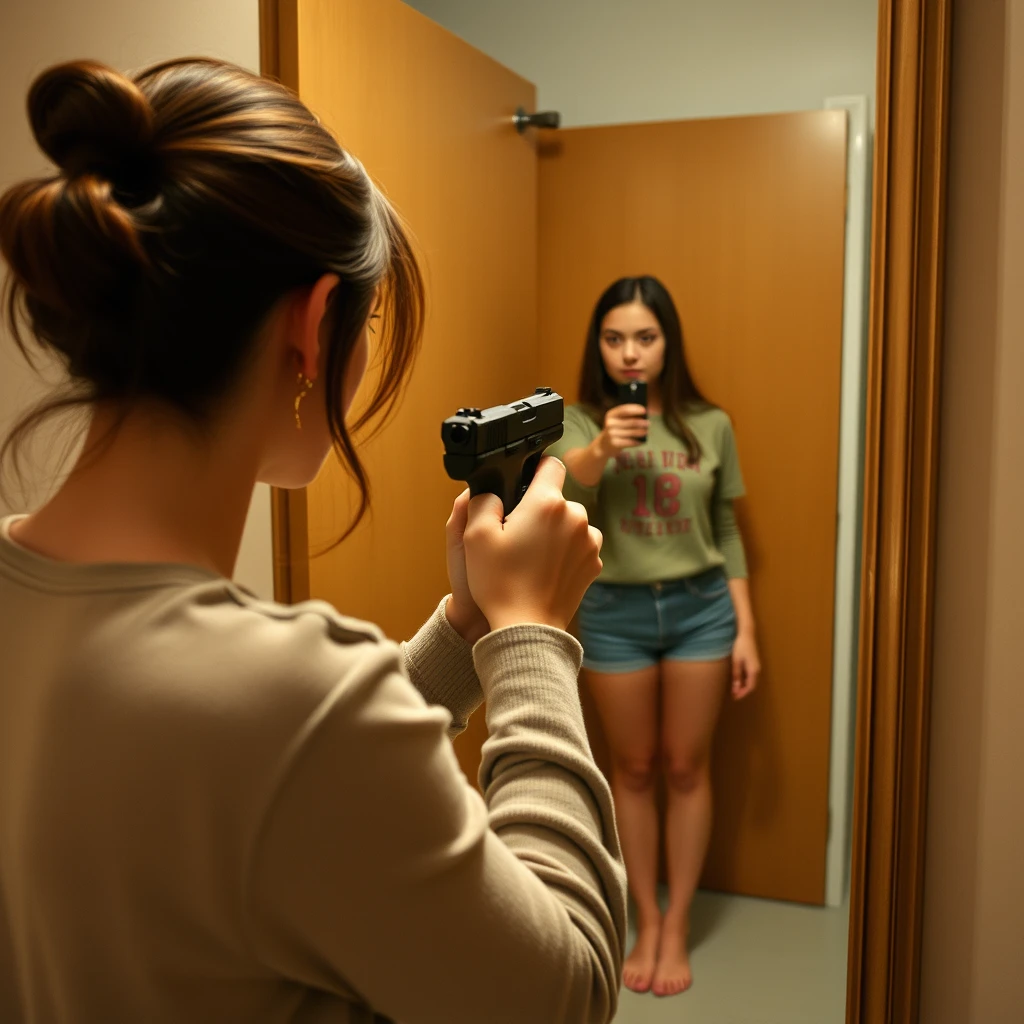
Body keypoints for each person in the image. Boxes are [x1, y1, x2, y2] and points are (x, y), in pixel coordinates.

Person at [0, 58, 627, 1023]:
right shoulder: (296, 703)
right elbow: (566, 990)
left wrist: (464, 632)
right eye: (368, 318)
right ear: (315, 322)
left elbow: (251, 798)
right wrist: (531, 637)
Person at [547, 276, 761, 998]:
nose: (630, 353)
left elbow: (727, 531)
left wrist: (747, 630)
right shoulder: (578, 422)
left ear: (668, 342)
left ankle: (678, 926)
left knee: (687, 767)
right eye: (615, 338)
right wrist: (603, 446)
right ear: (598, 346)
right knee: (632, 769)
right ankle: (646, 916)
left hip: (702, 609)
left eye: (645, 337)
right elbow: (567, 492)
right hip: (615, 613)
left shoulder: (712, 424)